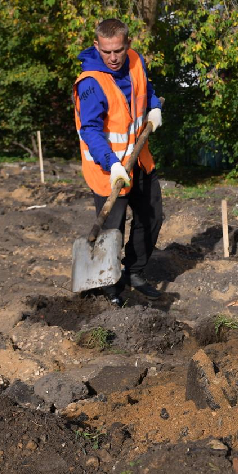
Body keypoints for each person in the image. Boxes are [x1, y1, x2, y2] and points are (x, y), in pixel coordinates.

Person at [73, 18, 165, 306]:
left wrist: (155, 108)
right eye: (106, 52)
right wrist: (112, 164)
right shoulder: (91, 83)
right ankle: (108, 286)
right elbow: (89, 130)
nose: (113, 58)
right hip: (108, 169)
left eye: (118, 51)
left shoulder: (136, 61)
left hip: (139, 159)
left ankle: (134, 272)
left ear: (128, 45)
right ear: (97, 46)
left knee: (152, 217)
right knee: (112, 229)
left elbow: (146, 90)